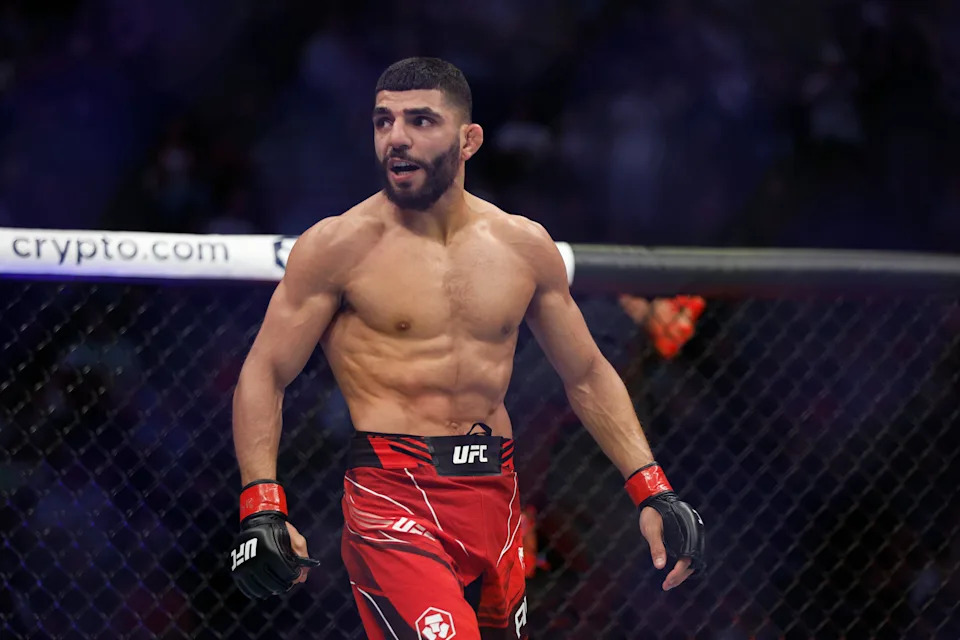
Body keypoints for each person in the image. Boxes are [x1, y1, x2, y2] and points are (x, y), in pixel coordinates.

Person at [228, 57, 705, 640]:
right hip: (392, 500)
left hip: (496, 497)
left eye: (421, 121)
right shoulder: (336, 247)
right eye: (383, 122)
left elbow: (585, 374)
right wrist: (262, 503)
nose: (396, 138)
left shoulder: (522, 246)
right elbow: (266, 372)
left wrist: (653, 489)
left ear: (468, 139)